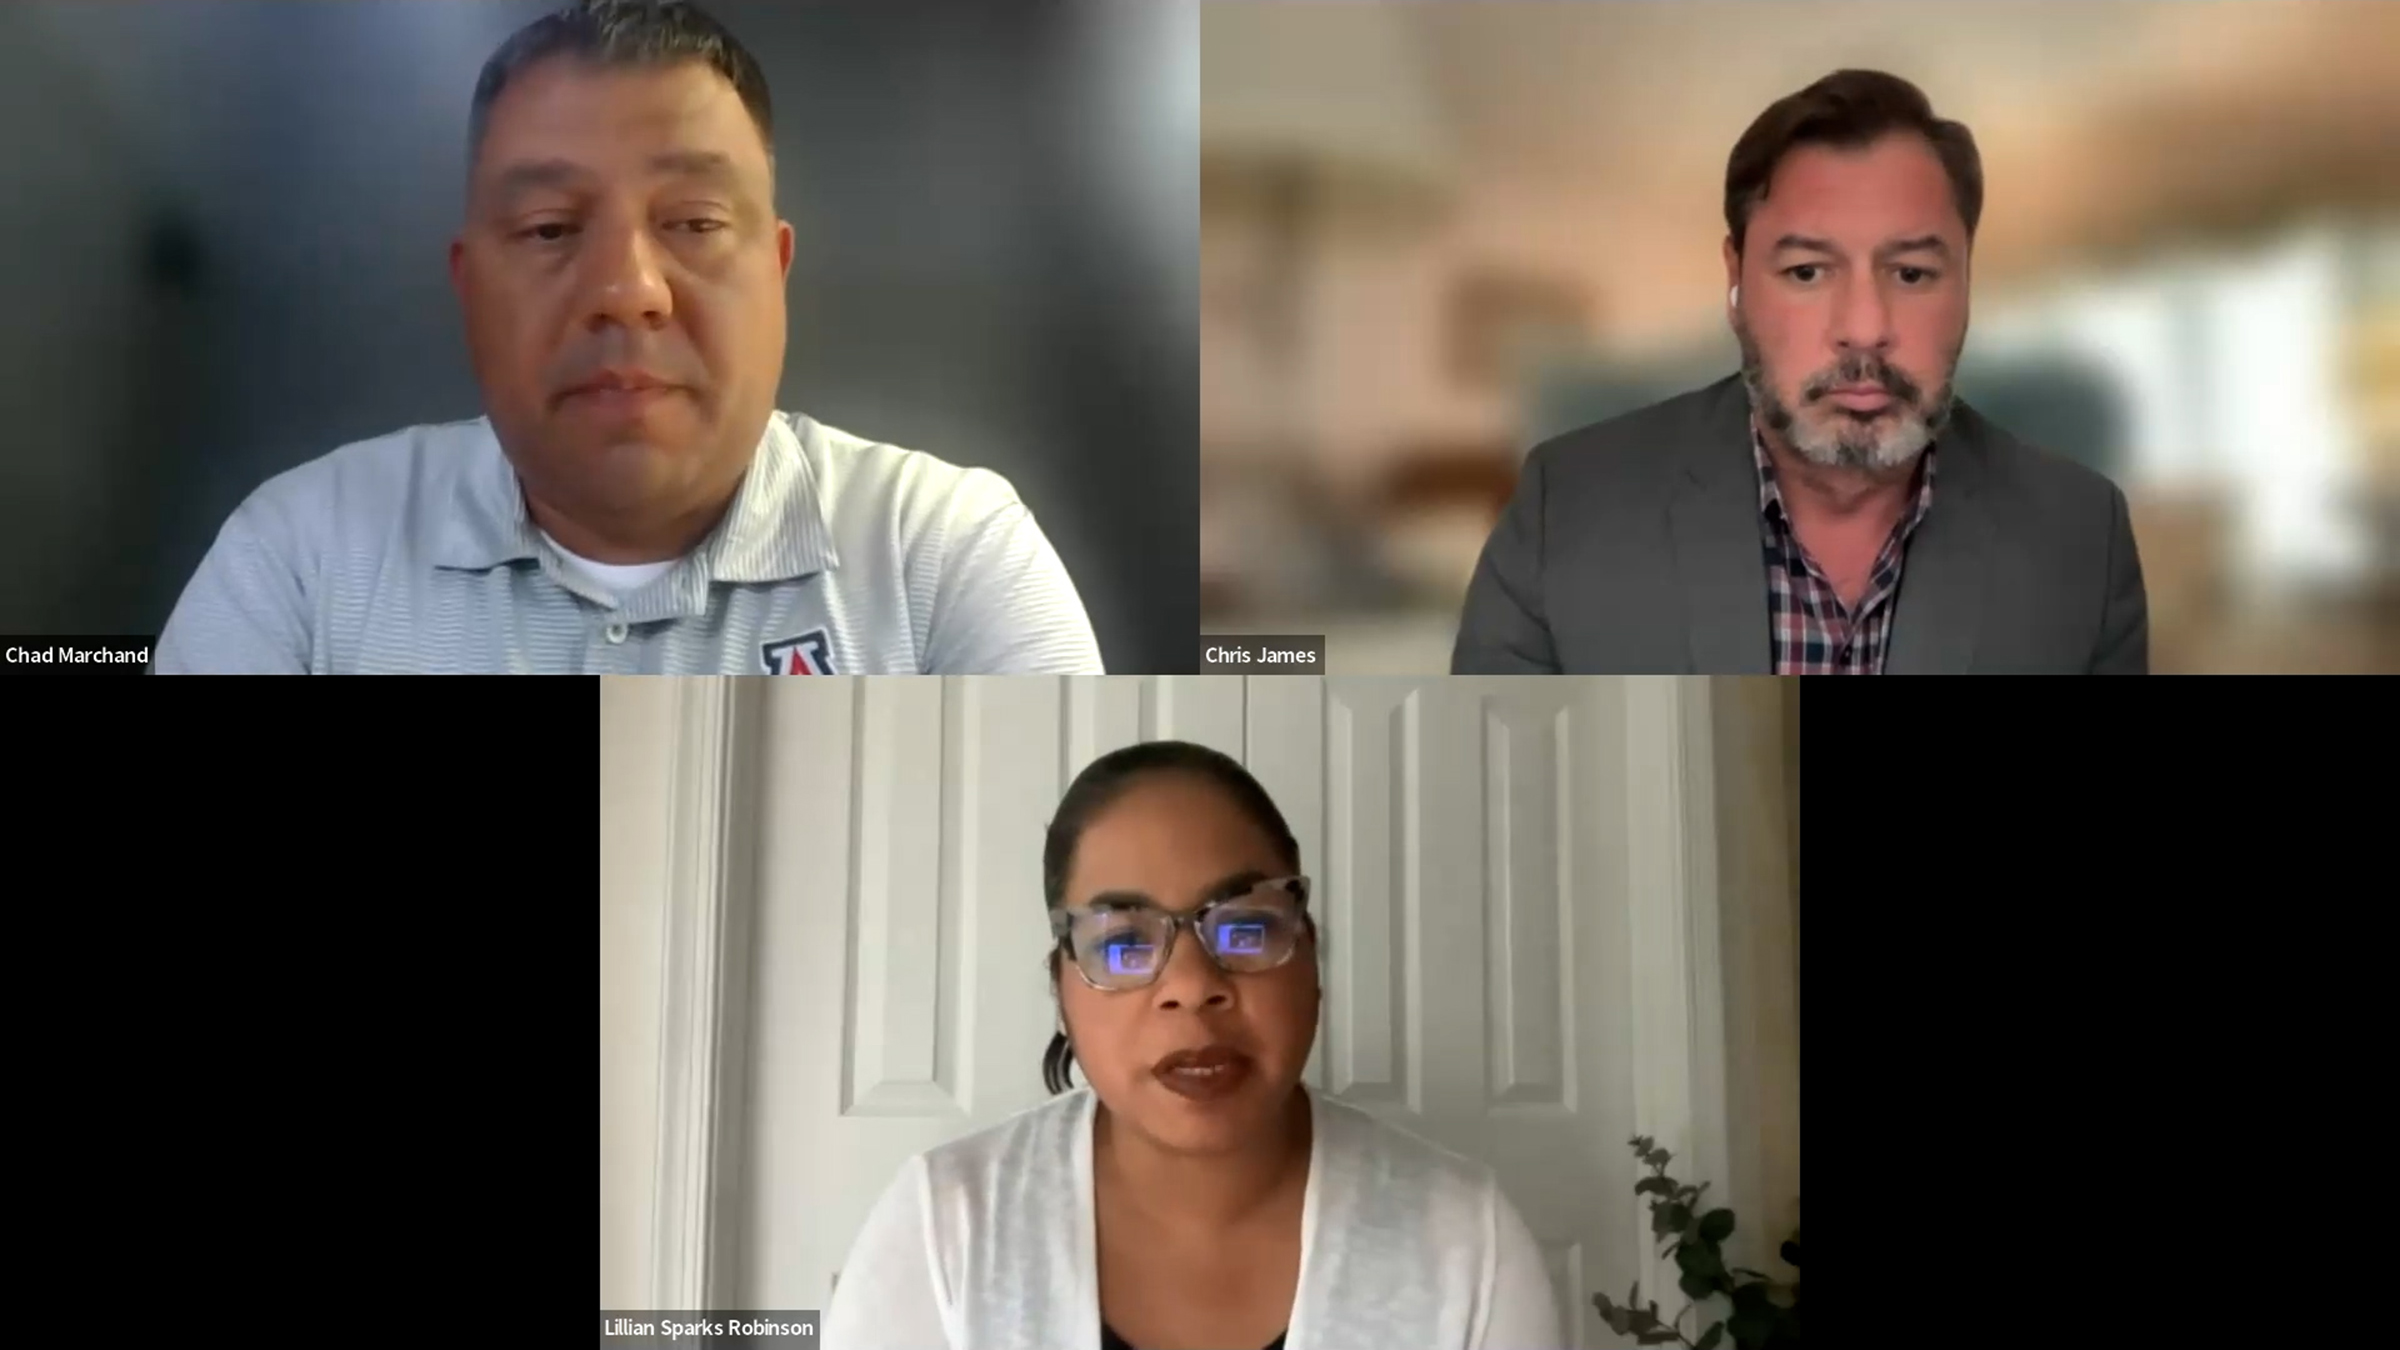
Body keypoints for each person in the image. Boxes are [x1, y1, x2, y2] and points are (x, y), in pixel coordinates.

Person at [152, 0, 1102, 675]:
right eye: (551, 230)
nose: (627, 291)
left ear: (776, 271)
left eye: (691, 223)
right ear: (469, 285)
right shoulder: (299, 563)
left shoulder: (946, 561)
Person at [822, 742, 1561, 1350]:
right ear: (1063, 991)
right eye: (1123, 944)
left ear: (1310, 961)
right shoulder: (944, 1224)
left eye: (1244, 927)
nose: (1191, 986)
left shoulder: (1469, 1238)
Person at [1453, 69, 2147, 675]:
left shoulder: (2085, 537)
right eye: (1807, 271)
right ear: (1736, 280)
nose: (1866, 328)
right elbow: (1495, 811)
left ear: (1967, 282)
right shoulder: (1565, 510)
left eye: (1912, 272)